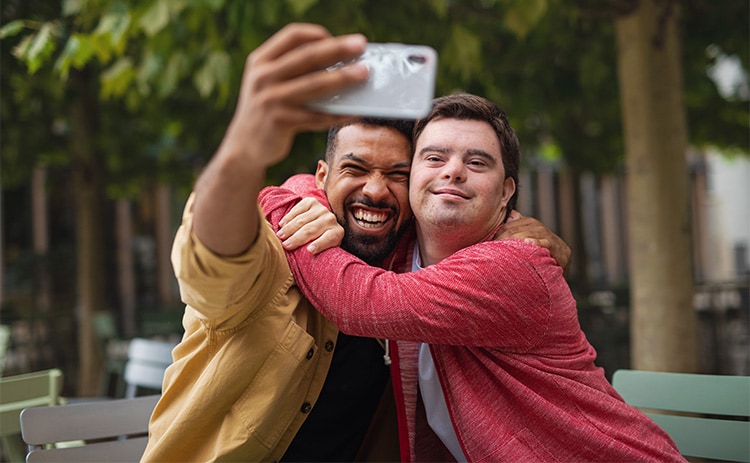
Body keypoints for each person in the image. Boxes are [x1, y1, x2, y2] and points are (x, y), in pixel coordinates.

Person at [142, 24, 570, 462]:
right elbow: (213, 258)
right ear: (322, 177)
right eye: (356, 169)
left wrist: (535, 235)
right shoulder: (281, 247)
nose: (376, 190)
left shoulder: (416, 269)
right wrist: (245, 150)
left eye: (398, 175)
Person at [277, 93, 687, 462]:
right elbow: (326, 185)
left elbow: (360, 301)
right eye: (434, 158)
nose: (453, 171)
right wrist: (302, 195)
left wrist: (285, 216)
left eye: (476, 162)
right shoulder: (402, 252)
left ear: (507, 192)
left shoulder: (515, 266)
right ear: (413, 176)